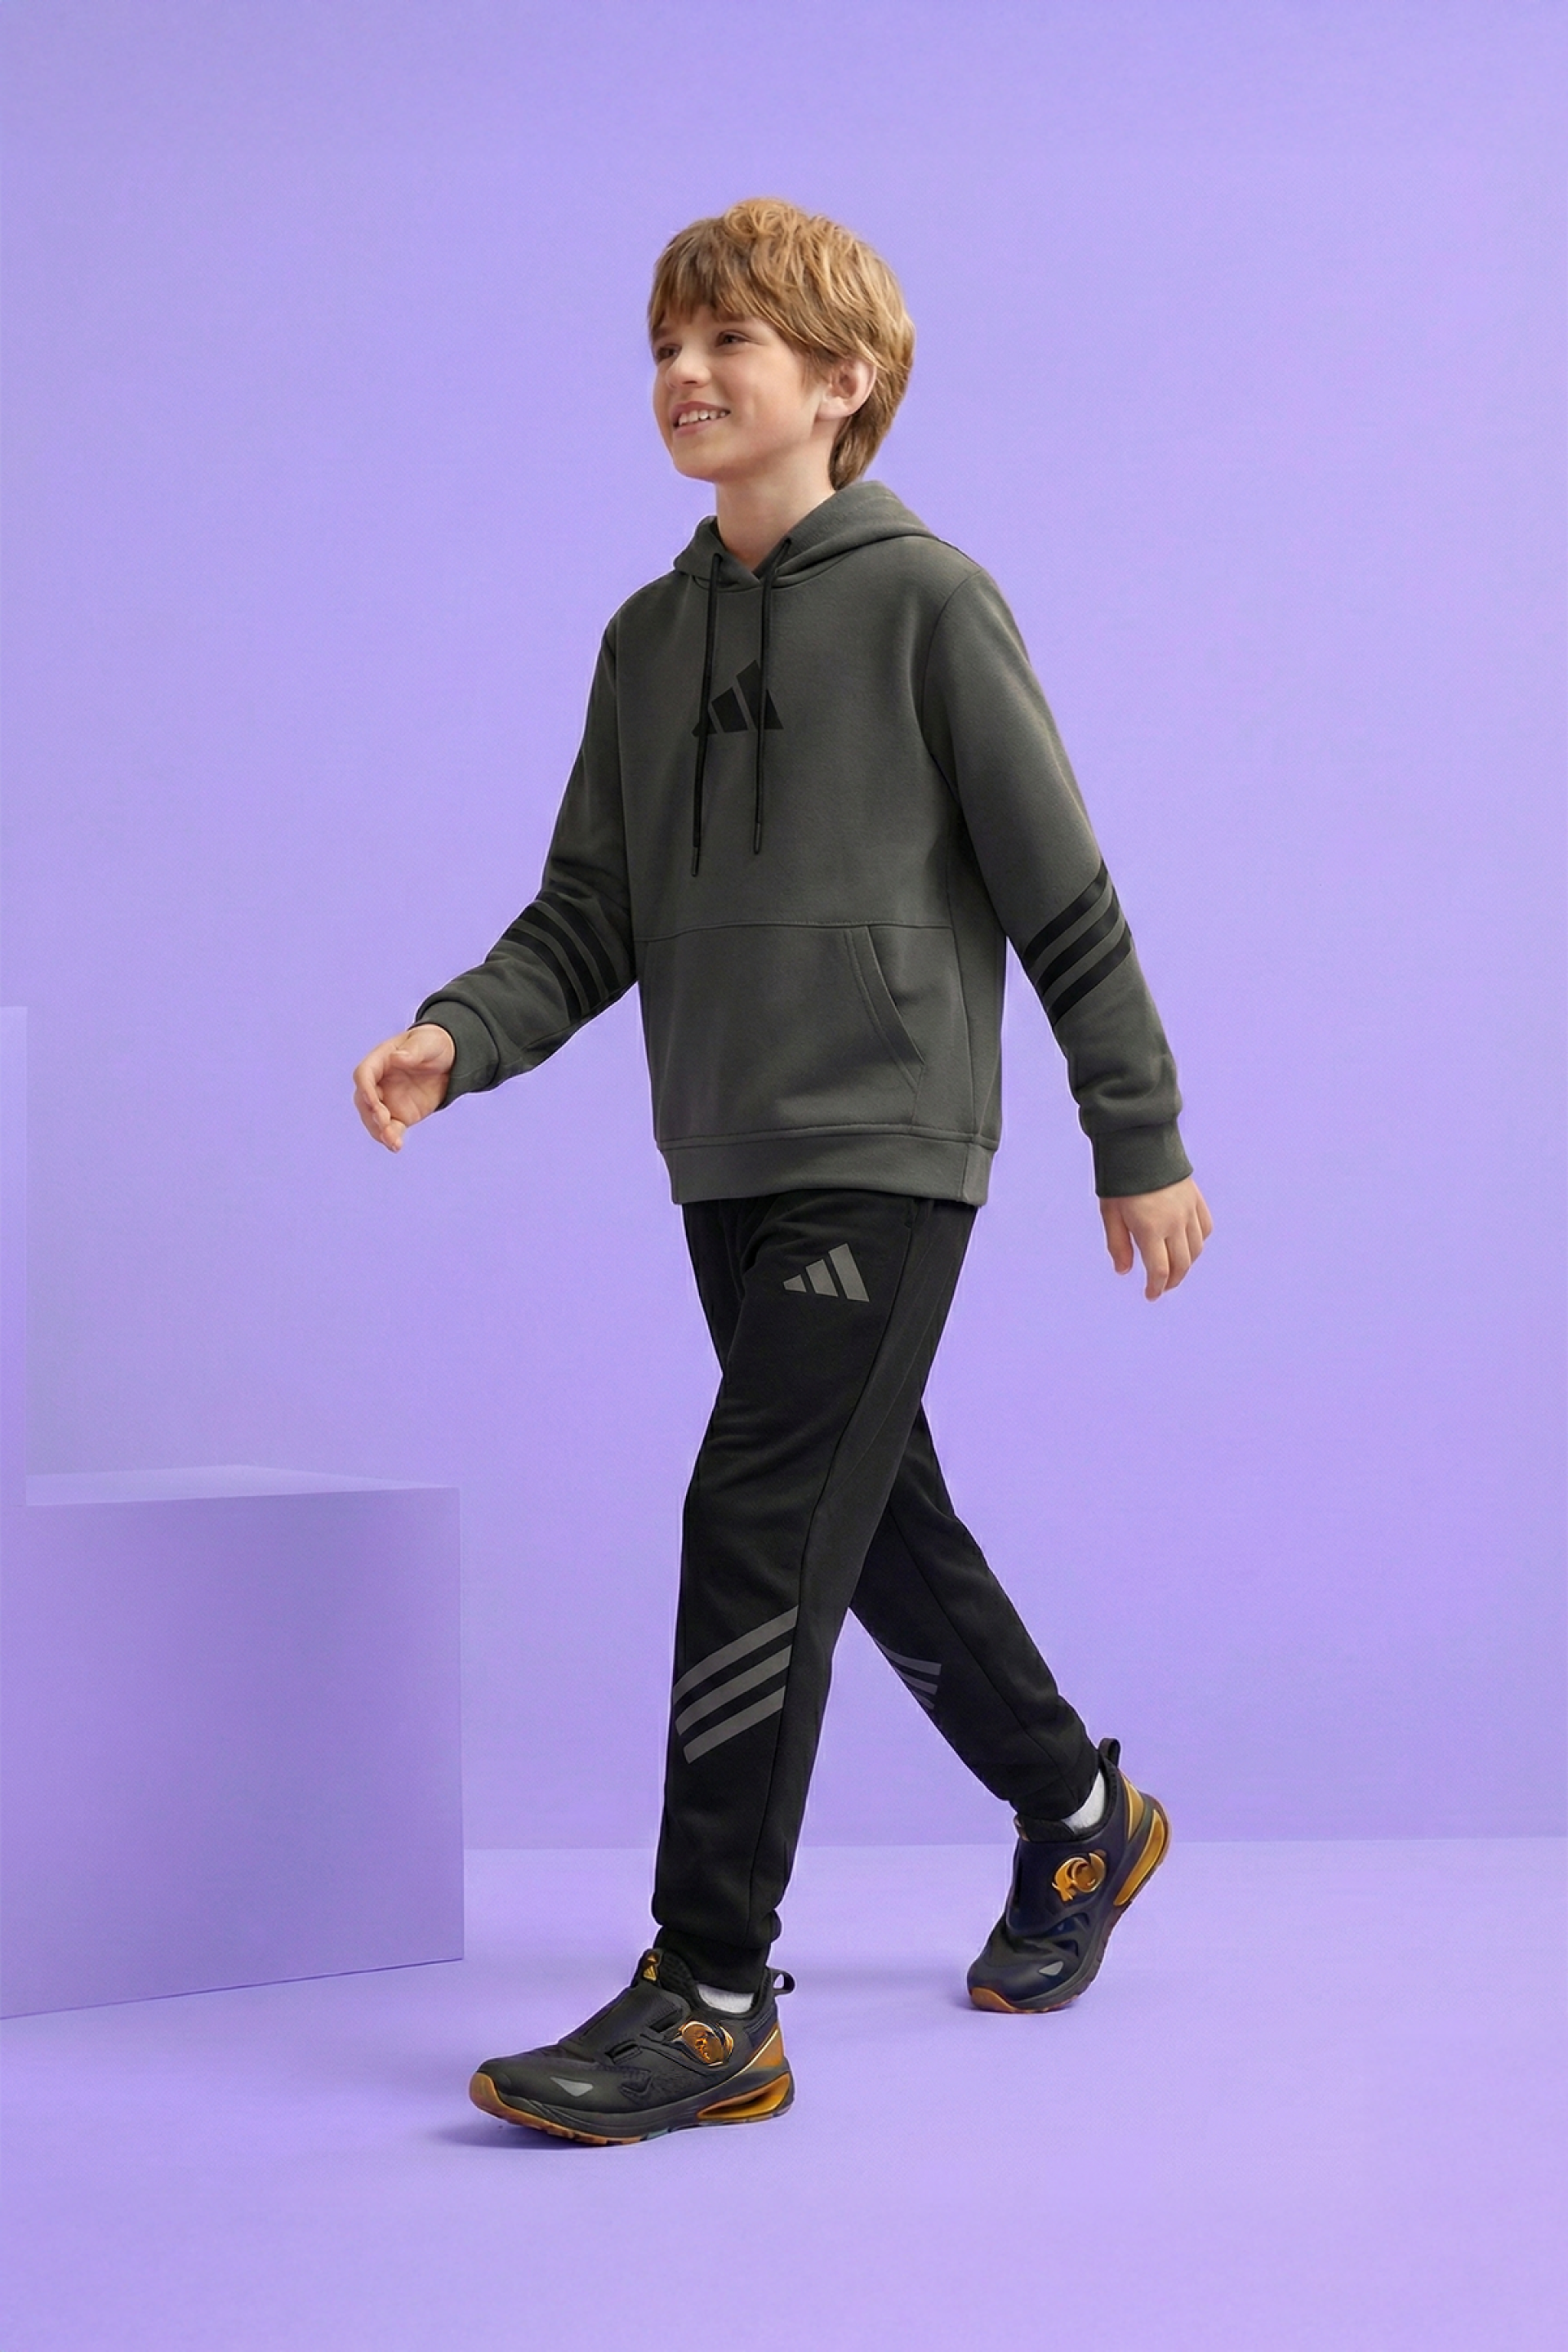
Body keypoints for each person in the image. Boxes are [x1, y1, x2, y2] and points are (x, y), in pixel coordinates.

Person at [353, 198, 1212, 2146]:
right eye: (667, 342)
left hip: (888, 1144)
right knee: (868, 1515)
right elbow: (590, 913)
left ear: (843, 382)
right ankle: (1084, 1813)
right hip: (722, 1152)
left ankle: (714, 1993)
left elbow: (1060, 887)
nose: (685, 372)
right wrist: (458, 1034)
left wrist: (1137, 1131)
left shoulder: (930, 604)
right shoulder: (646, 639)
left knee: (755, 1518)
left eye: (728, 340)